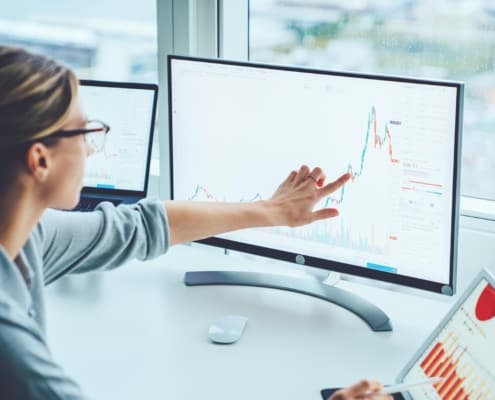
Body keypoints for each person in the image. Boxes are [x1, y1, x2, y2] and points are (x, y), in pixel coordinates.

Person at [0, 45, 390, 400]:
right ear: (40, 160)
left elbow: (140, 227)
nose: (90, 147)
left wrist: (273, 210)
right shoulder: (10, 344)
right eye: (85, 131)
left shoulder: (26, 236)